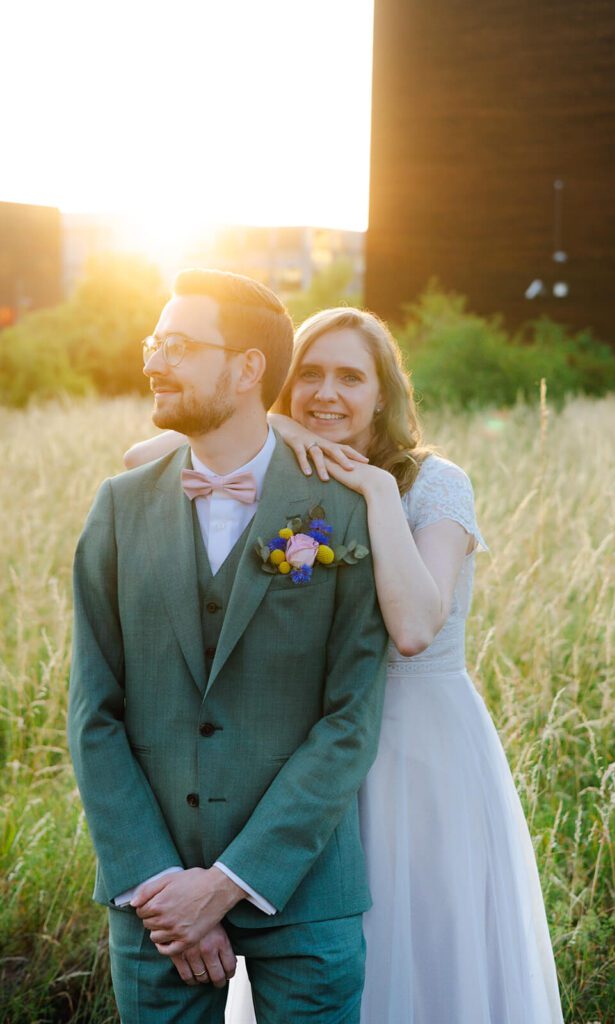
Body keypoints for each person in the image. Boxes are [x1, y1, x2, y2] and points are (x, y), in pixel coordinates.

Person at [126, 306, 565, 1024]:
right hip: (307, 753)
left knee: (416, 938)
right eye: (310, 376)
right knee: (308, 943)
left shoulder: (434, 483)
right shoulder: (281, 467)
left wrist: (376, 490)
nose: (327, 393)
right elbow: (139, 464)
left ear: (382, 394)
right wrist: (282, 433)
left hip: (414, 750)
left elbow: (416, 626)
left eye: (350, 378)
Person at [68, 273, 389, 1024]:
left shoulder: (344, 513)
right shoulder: (118, 507)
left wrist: (229, 881)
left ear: (246, 369)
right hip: (155, 904)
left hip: (304, 890)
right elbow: (94, 711)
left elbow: (349, 720)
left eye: (178, 346)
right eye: (154, 343)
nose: (155, 360)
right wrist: (159, 884)